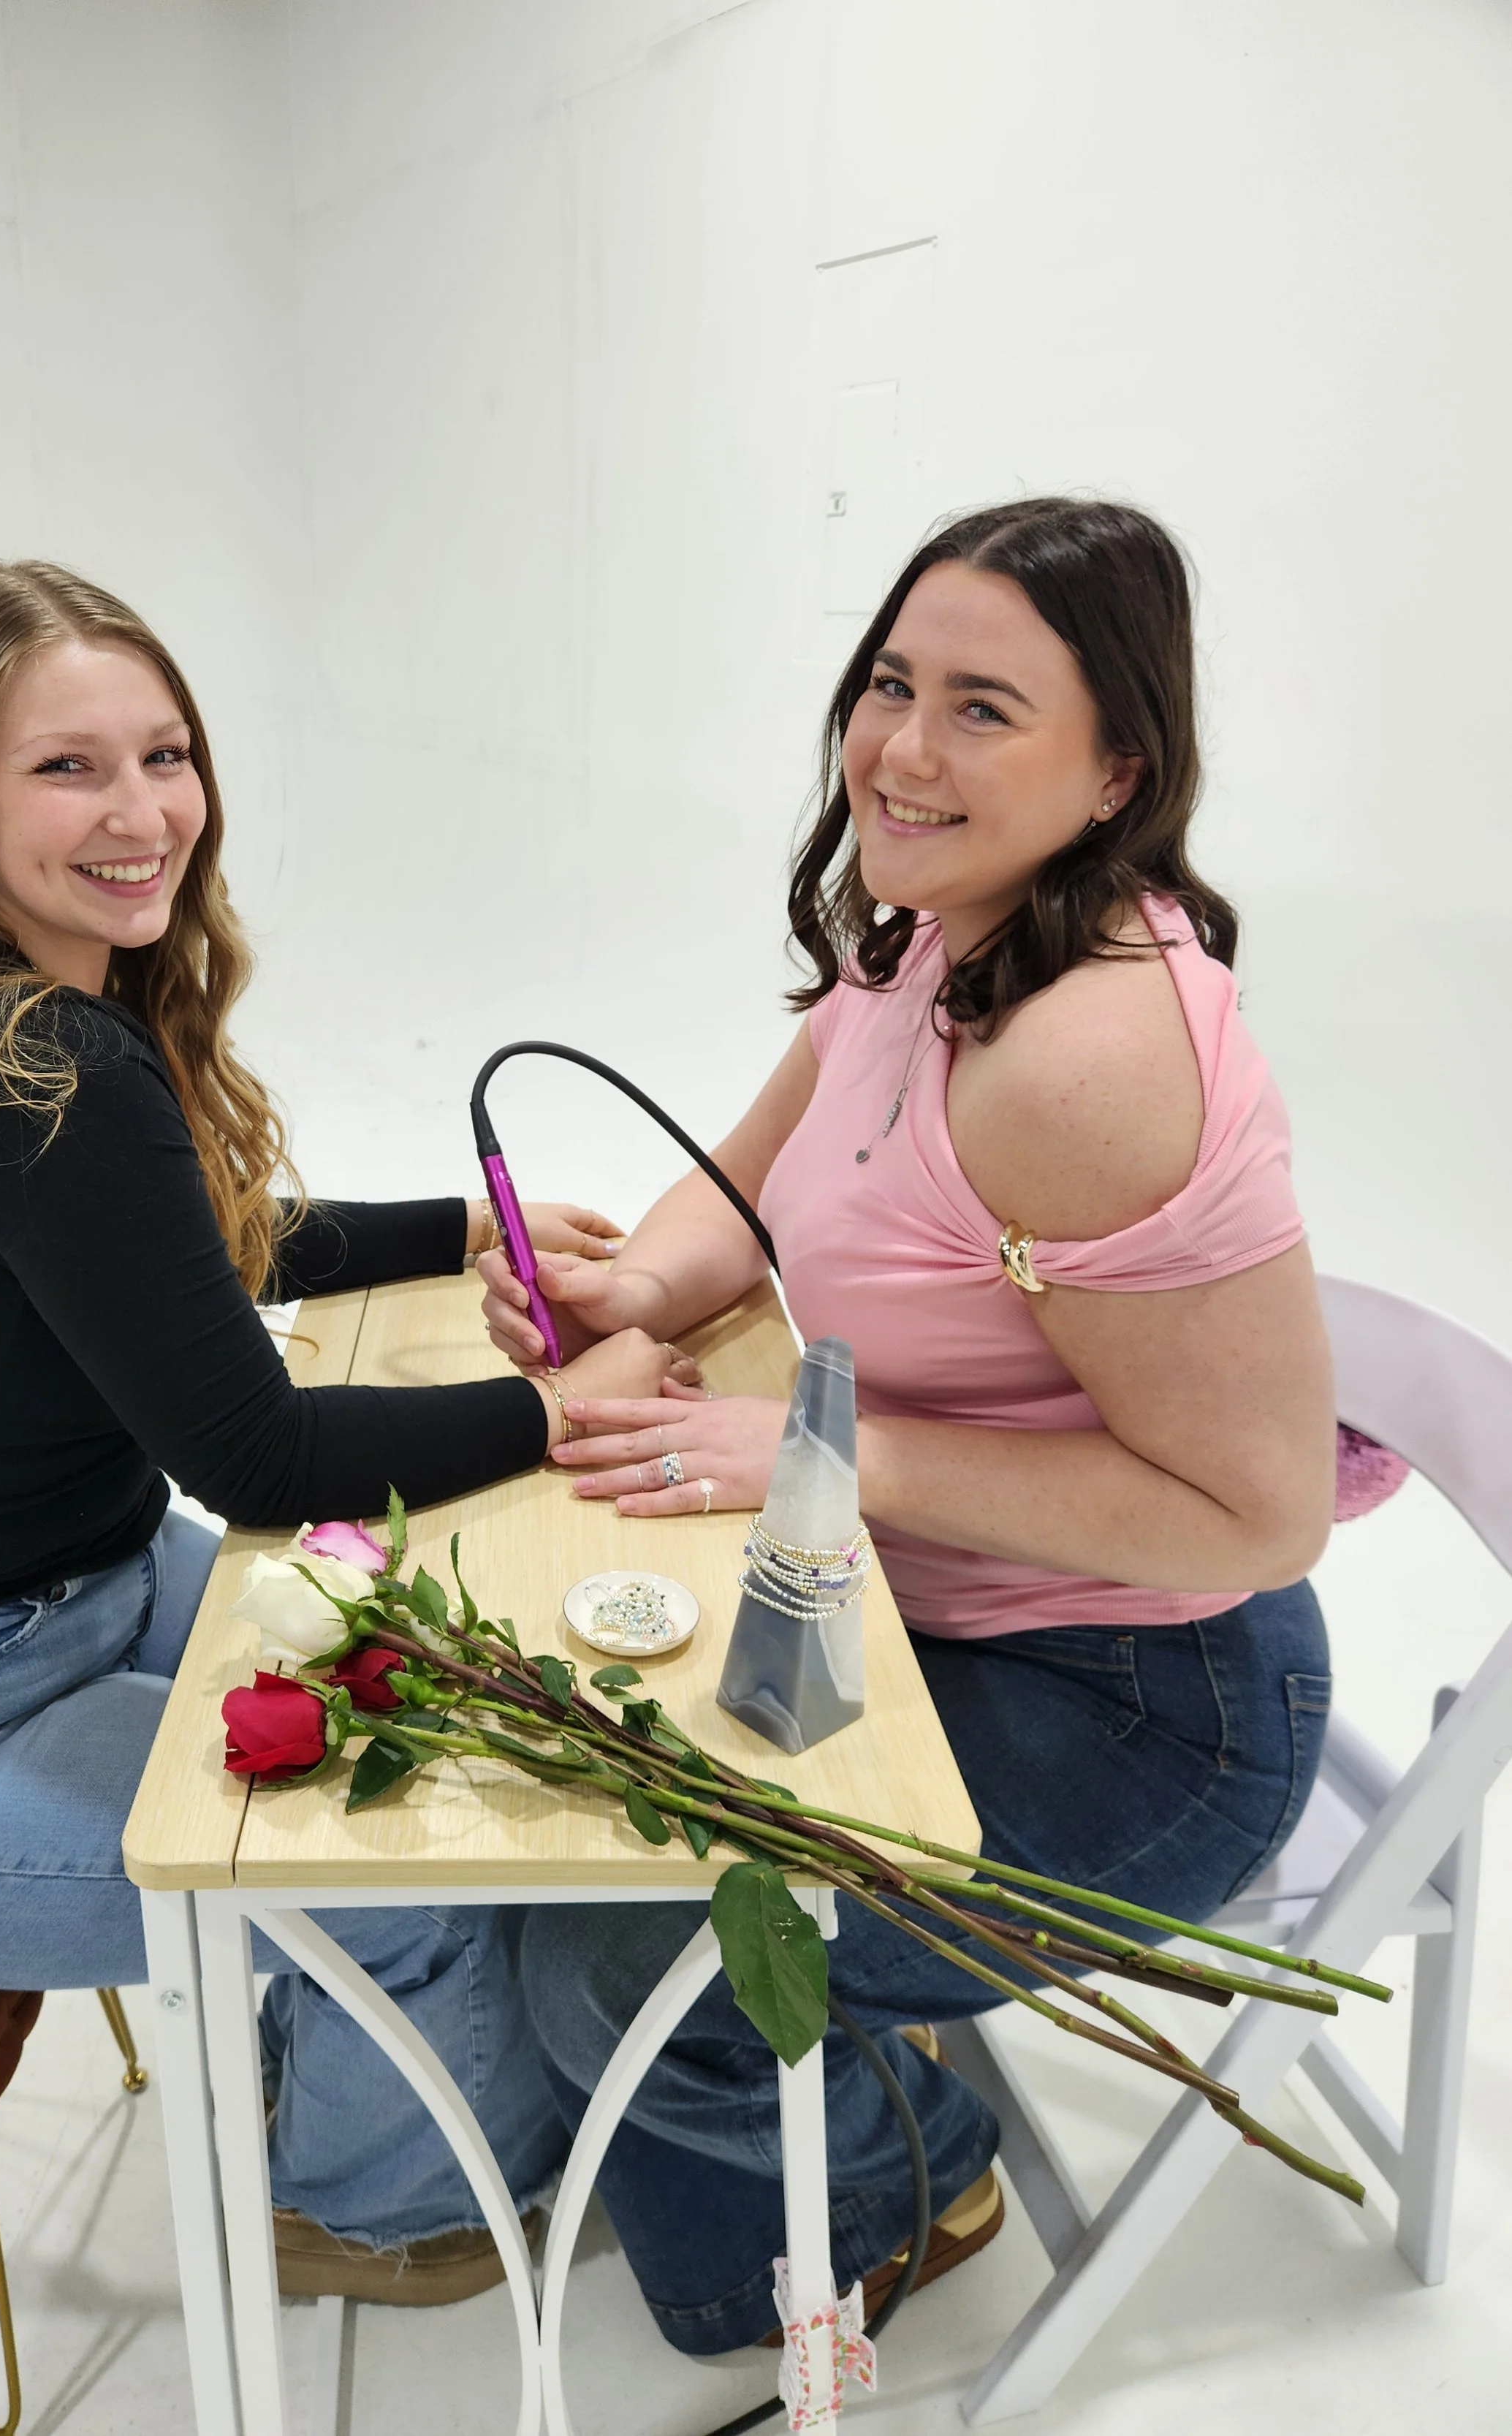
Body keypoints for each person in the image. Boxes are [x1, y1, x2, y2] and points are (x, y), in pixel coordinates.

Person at [0, 558, 680, 2306]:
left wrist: (457, 1231)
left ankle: (359, 2087)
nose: (143, 810)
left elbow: (176, 1262)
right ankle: (359, 2206)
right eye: (67, 768)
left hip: (19, 1613)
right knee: (394, 1864)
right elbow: (254, 1463)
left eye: (163, 753)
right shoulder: (38, 1071)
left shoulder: (10, 1020)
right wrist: (555, 1408)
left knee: (436, 1663)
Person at [477, 498, 1336, 2353]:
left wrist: (826, 1457)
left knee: (613, 1957)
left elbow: (1258, 1517)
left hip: (1142, 1701)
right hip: (925, 1600)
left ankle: (896, 2191)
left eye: (980, 708)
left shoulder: (1086, 1055)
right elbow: (763, 1168)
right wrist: (636, 1293)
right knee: (551, 1811)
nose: (901, 749)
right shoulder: (930, 930)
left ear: (1118, 767)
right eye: (889, 683)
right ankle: (791, 2102)